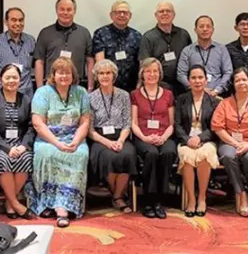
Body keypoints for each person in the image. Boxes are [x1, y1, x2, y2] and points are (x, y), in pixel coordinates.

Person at [27, 57, 91, 228]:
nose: (64, 76)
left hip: (74, 138)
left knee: (80, 154)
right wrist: (57, 143)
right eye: (60, 72)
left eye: (67, 72)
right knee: (47, 153)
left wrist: (76, 141)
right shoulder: (42, 92)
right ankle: (49, 204)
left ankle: (65, 205)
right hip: (48, 139)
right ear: (53, 75)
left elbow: (85, 121)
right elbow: (38, 123)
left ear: (73, 75)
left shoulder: (81, 92)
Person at [211, 67, 248, 218]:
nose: (241, 83)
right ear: (233, 83)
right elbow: (218, 128)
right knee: (228, 156)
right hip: (228, 142)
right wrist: (234, 143)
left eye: (244, 79)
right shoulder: (224, 104)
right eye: (237, 80)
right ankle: (241, 193)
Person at [0, 64, 36, 219]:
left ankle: (9, 202)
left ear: (20, 80)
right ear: (1, 79)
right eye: (8, 77)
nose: (11, 80)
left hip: (19, 143)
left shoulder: (26, 100)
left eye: (15, 77)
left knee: (26, 158)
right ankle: (16, 203)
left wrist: (23, 146)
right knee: (2, 159)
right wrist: (7, 148)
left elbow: (31, 127)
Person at [87, 59, 137, 214]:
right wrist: (108, 143)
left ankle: (116, 195)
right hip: (100, 138)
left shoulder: (123, 95)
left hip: (121, 135)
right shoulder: (90, 97)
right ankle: (118, 195)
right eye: (101, 73)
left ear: (114, 76)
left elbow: (127, 123)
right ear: (96, 76)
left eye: (108, 73)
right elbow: (89, 130)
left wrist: (121, 141)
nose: (105, 76)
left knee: (127, 155)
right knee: (109, 156)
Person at [131, 58, 176, 219]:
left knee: (168, 153)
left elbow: (172, 124)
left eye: (155, 71)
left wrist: (163, 137)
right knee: (151, 155)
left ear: (160, 74)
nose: (152, 74)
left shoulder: (168, 94)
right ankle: (148, 200)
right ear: (142, 74)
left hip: (164, 136)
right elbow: (134, 123)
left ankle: (159, 200)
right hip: (142, 136)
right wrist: (144, 137)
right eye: (148, 71)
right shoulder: (135, 95)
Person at [174, 65, 221, 217]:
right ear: (188, 81)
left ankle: (202, 198)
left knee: (204, 155)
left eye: (200, 77)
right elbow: (177, 124)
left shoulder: (213, 101)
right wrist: (188, 139)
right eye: (193, 78)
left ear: (206, 80)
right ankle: (191, 200)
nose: (197, 81)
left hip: (206, 140)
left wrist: (200, 138)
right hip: (186, 140)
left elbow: (216, 126)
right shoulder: (181, 99)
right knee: (187, 157)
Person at [34, 0, 94, 91]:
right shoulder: (45, 33)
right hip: (51, 87)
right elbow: (39, 62)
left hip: (77, 87)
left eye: (69, 9)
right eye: (62, 9)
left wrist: (90, 88)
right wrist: (40, 89)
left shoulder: (84, 33)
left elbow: (90, 62)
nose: (65, 13)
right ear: (56, 10)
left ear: (75, 11)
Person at [138, 2, 193, 95]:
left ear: (174, 15)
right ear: (156, 15)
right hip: (159, 86)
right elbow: (144, 65)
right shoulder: (148, 37)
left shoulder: (183, 34)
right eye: (161, 11)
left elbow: (191, 58)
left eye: (168, 11)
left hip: (183, 85)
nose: (165, 13)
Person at [177, 16, 232, 97]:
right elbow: (181, 74)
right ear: (195, 30)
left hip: (218, 95)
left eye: (208, 26)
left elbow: (228, 72)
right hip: (193, 95)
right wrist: (195, 88)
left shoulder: (222, 49)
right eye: (201, 26)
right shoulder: (187, 51)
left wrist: (217, 90)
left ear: (213, 29)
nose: (205, 29)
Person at [0, 8, 36, 97]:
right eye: (14, 20)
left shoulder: (31, 41)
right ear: (6, 22)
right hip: (2, 92)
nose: (18, 23)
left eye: (21, 20)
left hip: (25, 93)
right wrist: (2, 80)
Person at [92, 1, 142, 91]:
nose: (122, 15)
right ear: (111, 15)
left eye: (125, 13)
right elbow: (100, 63)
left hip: (132, 88)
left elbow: (141, 63)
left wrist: (139, 86)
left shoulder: (137, 36)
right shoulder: (100, 34)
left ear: (130, 16)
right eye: (118, 12)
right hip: (107, 87)